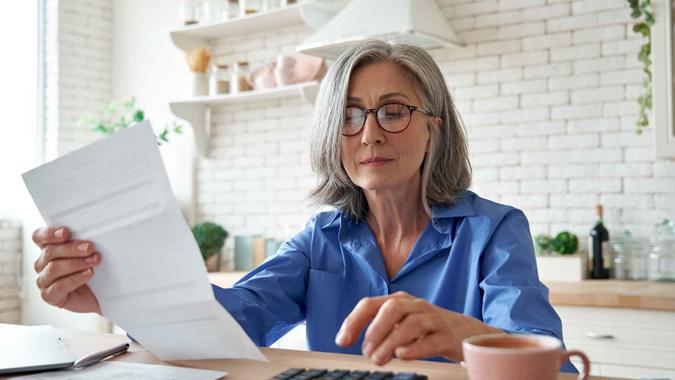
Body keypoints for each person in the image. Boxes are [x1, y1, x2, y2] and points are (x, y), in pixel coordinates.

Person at [31, 39, 576, 372]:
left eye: (392, 111)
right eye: (349, 115)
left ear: (433, 130)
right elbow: (233, 321)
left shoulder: (495, 231)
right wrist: (114, 292)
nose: (369, 135)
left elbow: (554, 367)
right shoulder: (322, 237)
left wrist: (461, 335)